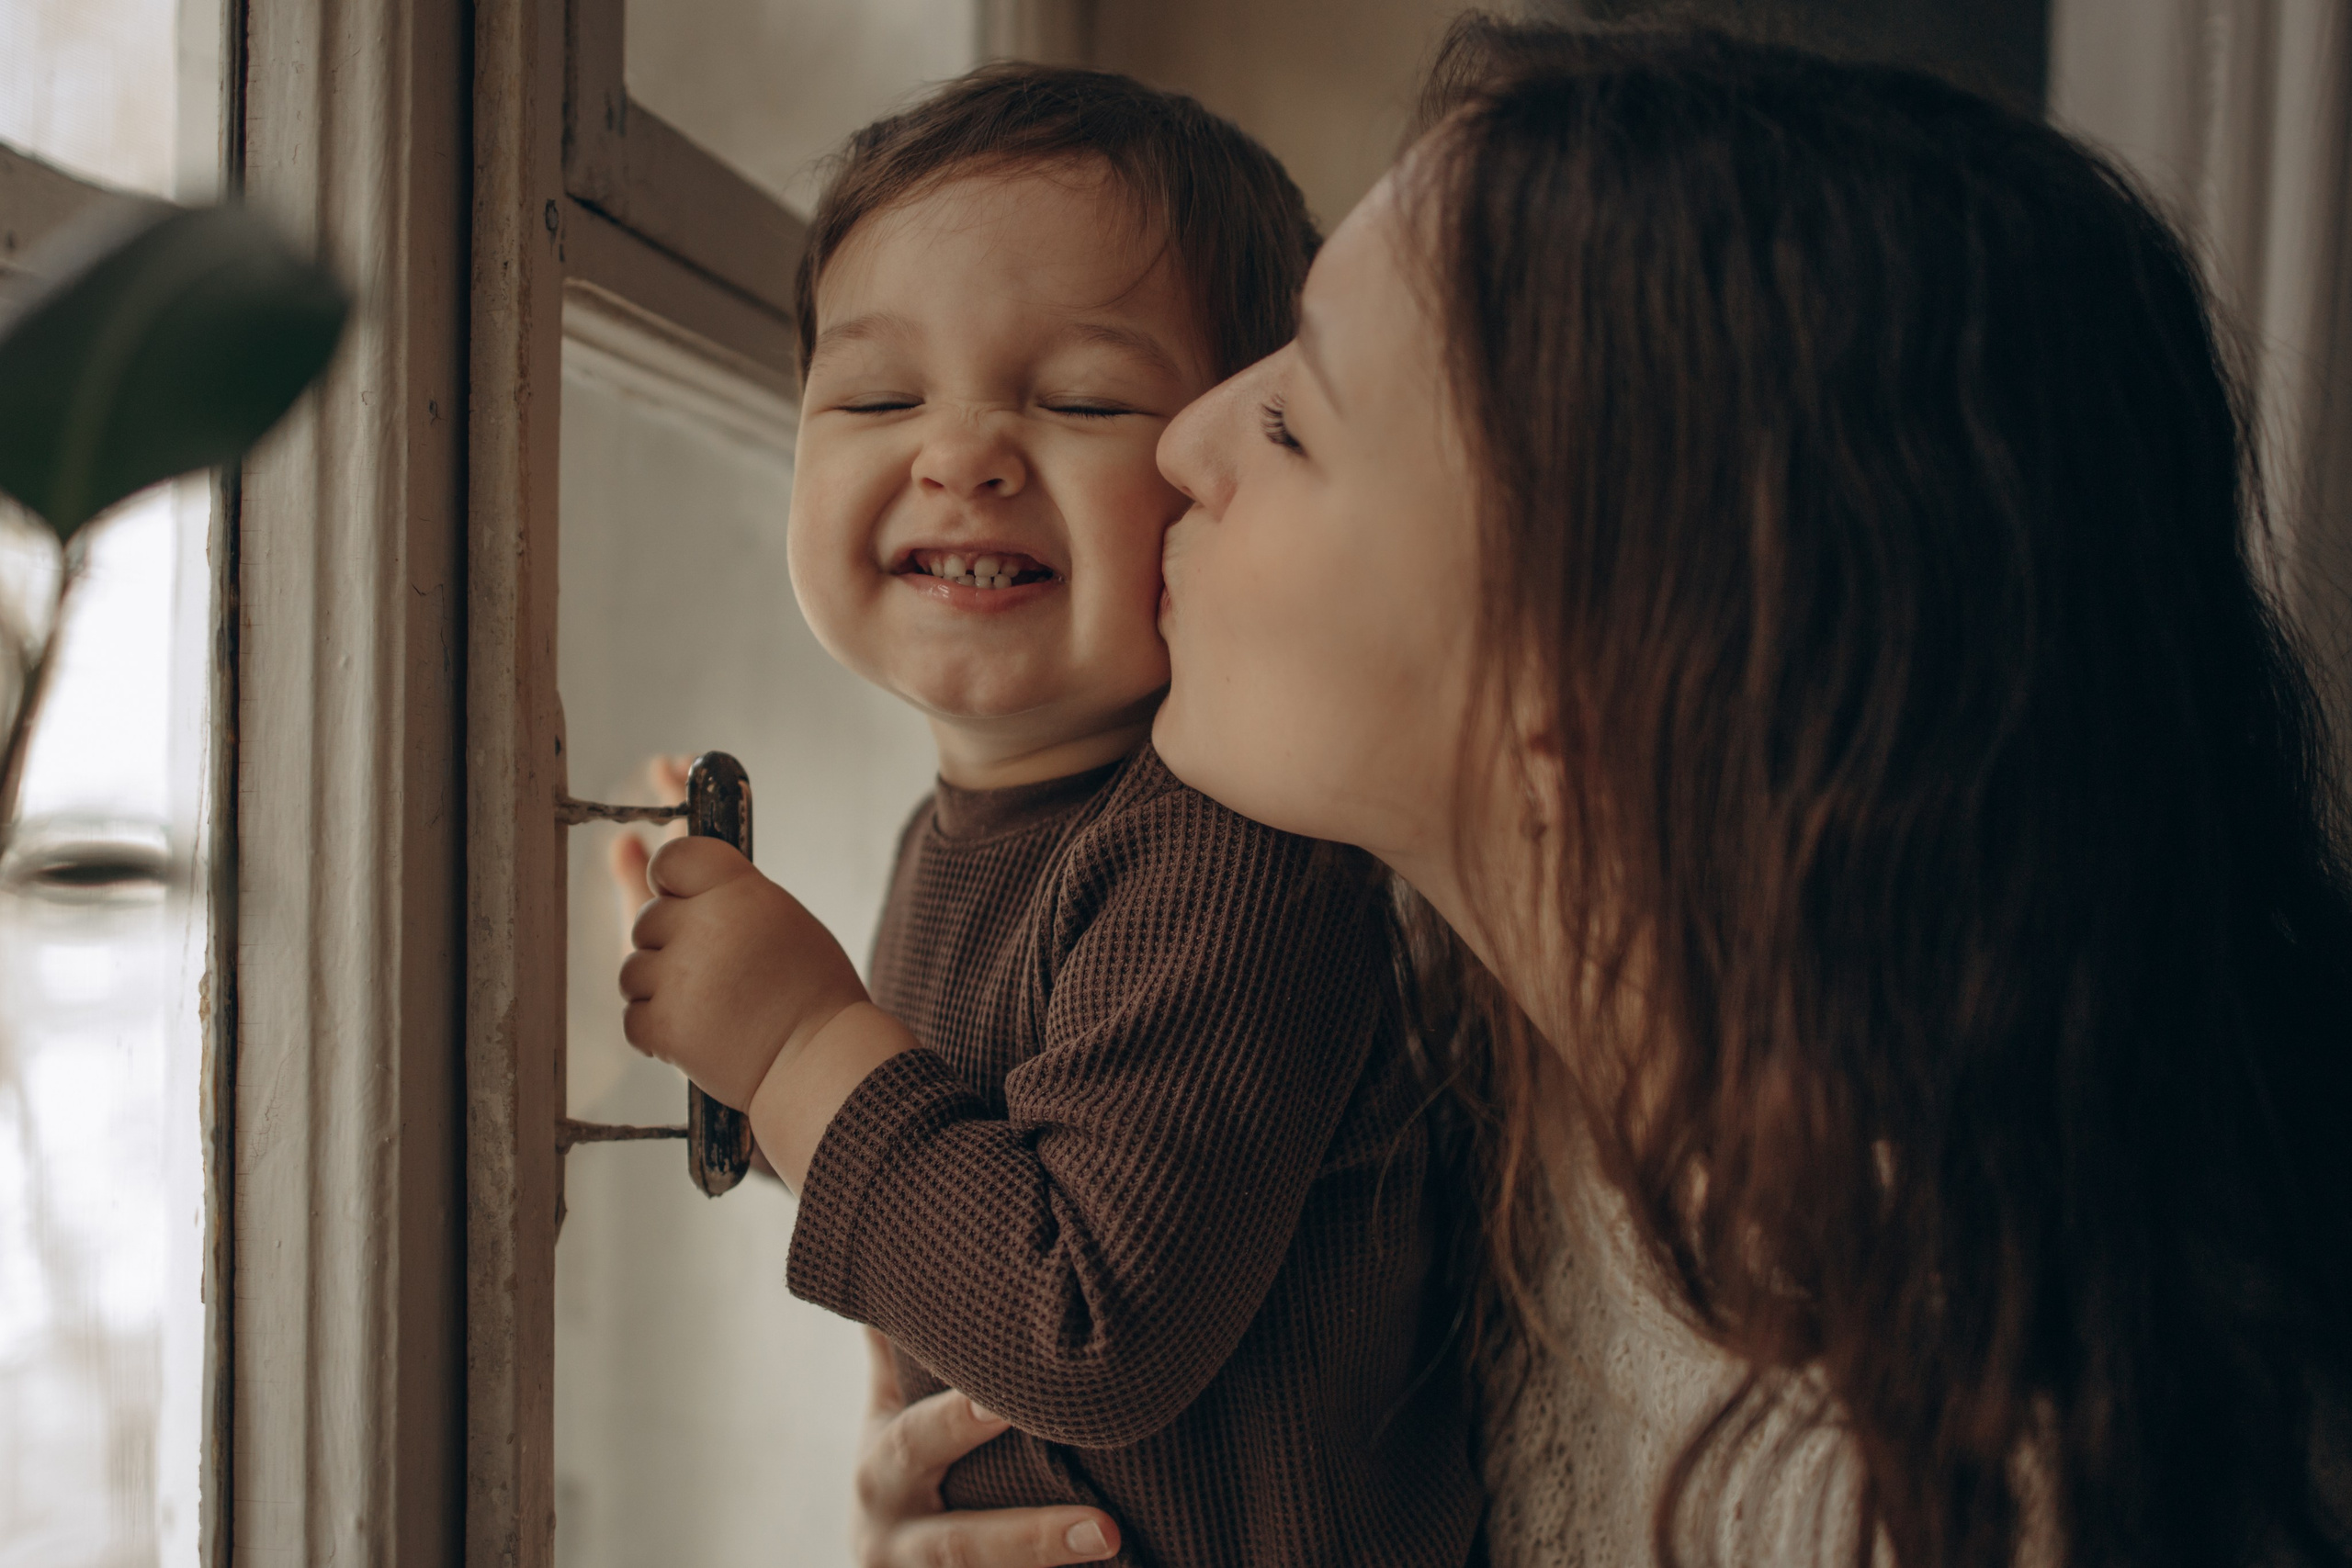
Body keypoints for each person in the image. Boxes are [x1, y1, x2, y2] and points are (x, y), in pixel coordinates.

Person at [853, 19, 2352, 1568]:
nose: (1186, 440)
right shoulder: (1449, 1050)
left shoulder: (1989, 1486)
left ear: (1589, 673)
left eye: (1296, 420)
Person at [613, 63, 1484, 1568]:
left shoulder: (1237, 856)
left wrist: (796, 1045)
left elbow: (1084, 1324)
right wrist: (734, 1045)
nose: (960, 454)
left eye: (1081, 399)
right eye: (879, 396)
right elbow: (947, 1174)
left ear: (1223, 468)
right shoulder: (949, 836)